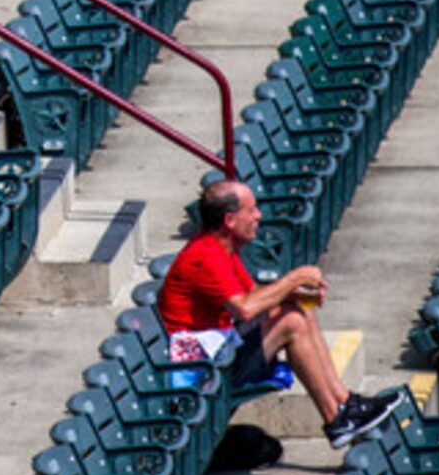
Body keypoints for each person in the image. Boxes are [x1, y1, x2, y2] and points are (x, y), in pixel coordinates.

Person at [157, 177, 396, 449]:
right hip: (203, 371)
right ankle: (336, 418)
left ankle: (345, 403)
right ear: (230, 220)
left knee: (298, 310)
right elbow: (245, 308)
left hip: (219, 352)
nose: (258, 215)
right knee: (291, 322)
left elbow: (255, 295)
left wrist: (292, 294)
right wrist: (294, 279)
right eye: (251, 210)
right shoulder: (205, 256)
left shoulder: (222, 249)